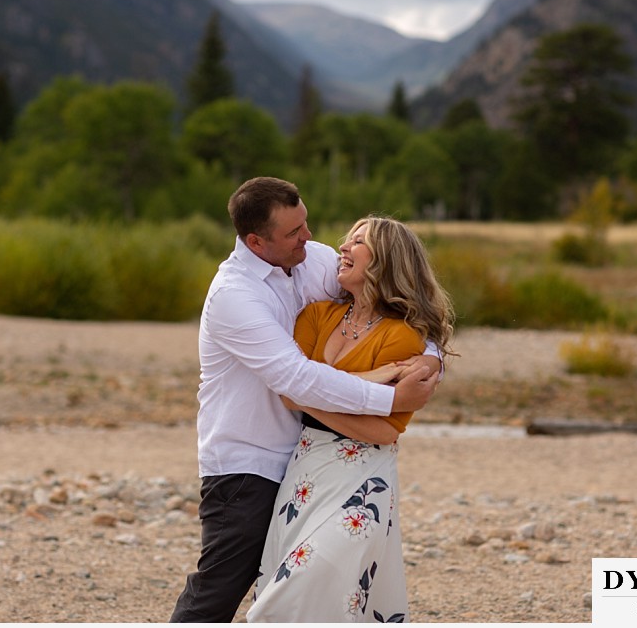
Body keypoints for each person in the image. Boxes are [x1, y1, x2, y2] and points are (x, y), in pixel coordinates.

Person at [169, 178, 442, 623]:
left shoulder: (312, 261)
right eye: (295, 232)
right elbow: (294, 378)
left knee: (305, 584)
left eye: (306, 223)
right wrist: (389, 396)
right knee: (222, 586)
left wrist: (430, 361)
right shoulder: (234, 295)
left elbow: (392, 300)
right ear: (256, 241)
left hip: (307, 461)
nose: (311, 238)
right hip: (248, 462)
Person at [247, 216, 456, 623]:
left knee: (315, 580)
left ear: (384, 260)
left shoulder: (404, 338)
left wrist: (307, 400)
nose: (343, 248)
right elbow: (292, 390)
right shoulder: (316, 316)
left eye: (357, 242)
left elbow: (383, 430)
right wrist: (369, 384)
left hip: (363, 479)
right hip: (305, 475)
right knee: (301, 585)